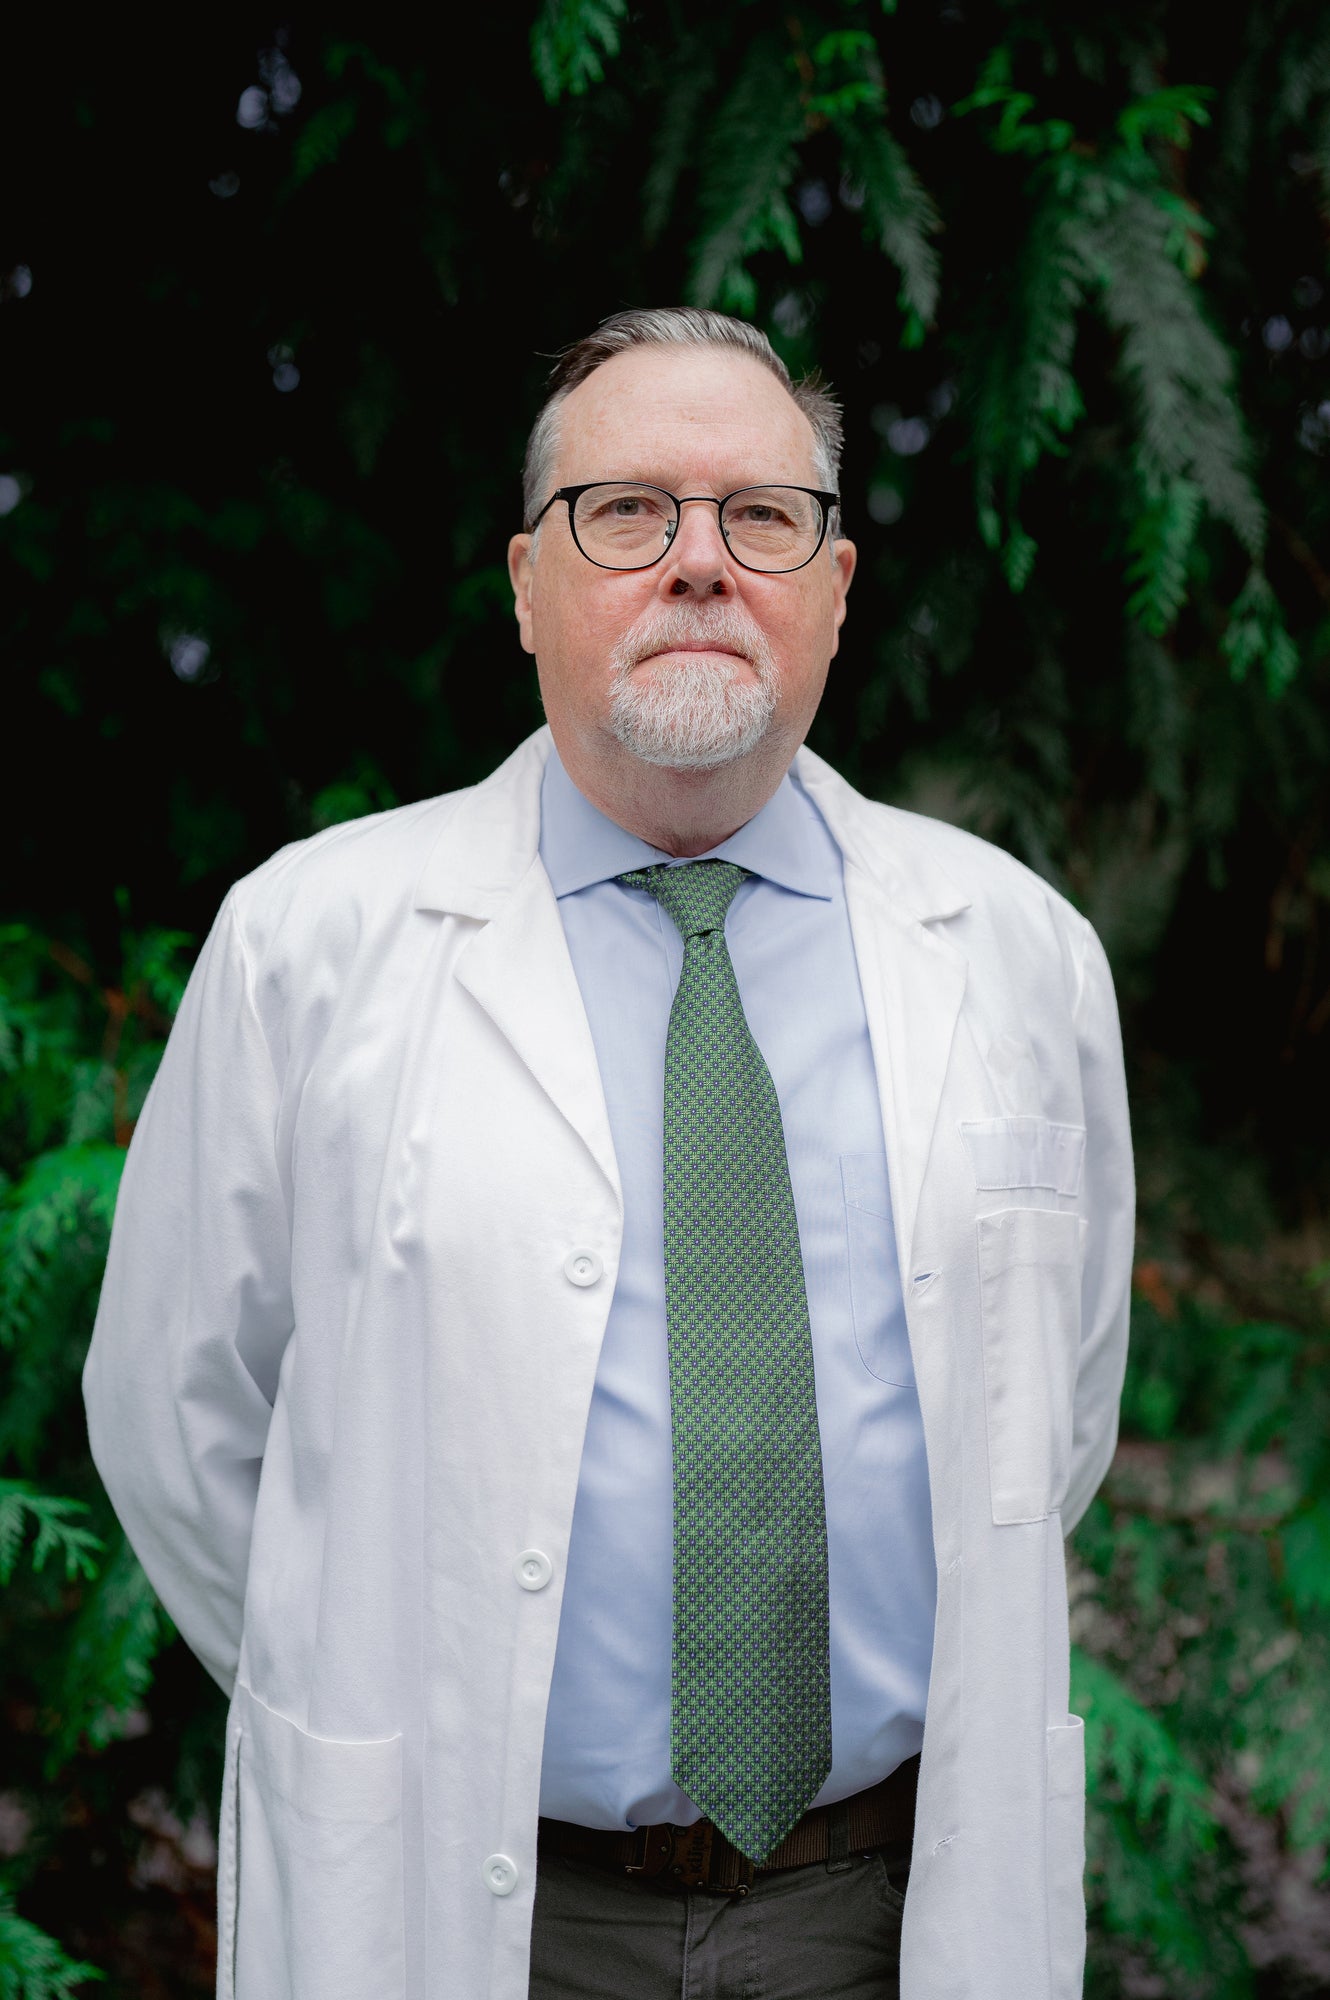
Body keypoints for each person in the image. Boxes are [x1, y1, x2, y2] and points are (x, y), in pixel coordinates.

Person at [82, 307, 1134, 2000]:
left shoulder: (1016, 952)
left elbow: (1054, 1410)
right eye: (627, 511)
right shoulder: (309, 944)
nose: (700, 564)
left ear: (837, 588)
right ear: (524, 582)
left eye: (761, 517)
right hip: (475, 1902)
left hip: (884, 1900)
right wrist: (388, 1685)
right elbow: (174, 1417)